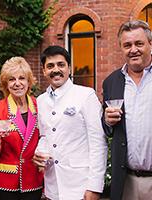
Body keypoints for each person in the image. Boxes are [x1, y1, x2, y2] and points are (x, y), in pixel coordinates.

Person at [33, 45, 107, 200]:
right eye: (50, 66)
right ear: (44, 70)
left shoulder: (86, 95)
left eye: (61, 65)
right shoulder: (40, 101)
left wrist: (95, 186)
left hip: (80, 186)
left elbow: (98, 143)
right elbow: (45, 136)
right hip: (52, 186)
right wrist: (40, 153)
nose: (56, 70)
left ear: (69, 68)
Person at [102, 20, 152, 200]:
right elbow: (106, 128)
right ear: (121, 48)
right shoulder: (111, 82)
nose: (133, 50)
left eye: (139, 43)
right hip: (126, 181)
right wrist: (107, 120)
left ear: (150, 44)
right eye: (127, 45)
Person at [0, 56, 43, 200]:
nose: (17, 83)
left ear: (29, 82)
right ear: (6, 84)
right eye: (12, 79)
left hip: (33, 178)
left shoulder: (40, 106)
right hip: (6, 180)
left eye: (22, 78)